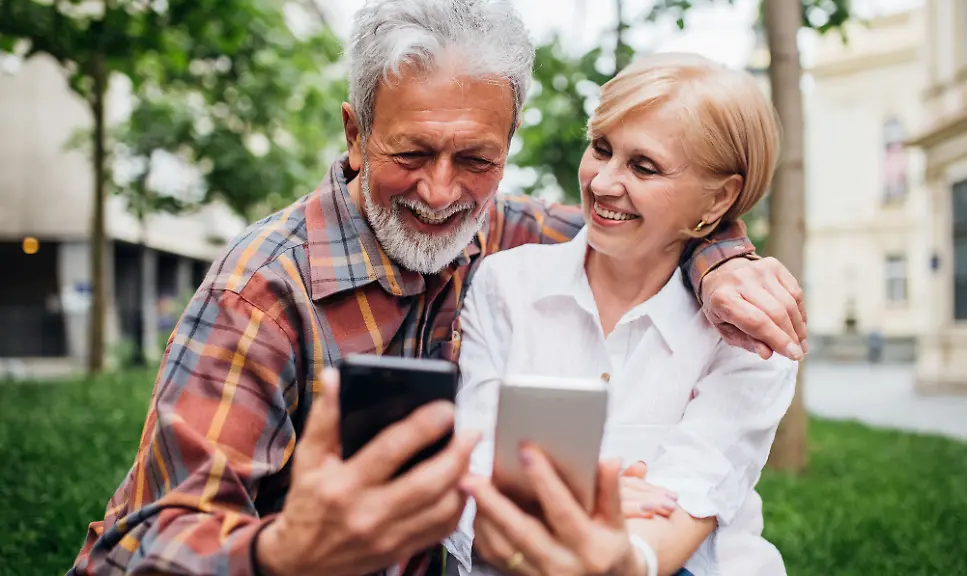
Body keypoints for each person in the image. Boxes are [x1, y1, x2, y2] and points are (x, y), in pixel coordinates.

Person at [69, 2, 807, 575]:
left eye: (477, 160)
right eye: (412, 153)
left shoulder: (505, 232)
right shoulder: (262, 293)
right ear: (355, 134)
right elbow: (139, 546)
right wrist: (285, 551)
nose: (441, 191)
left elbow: (649, 231)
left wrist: (724, 260)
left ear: (508, 144)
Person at [447, 52, 797, 576]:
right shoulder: (507, 286)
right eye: (602, 148)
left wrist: (544, 504)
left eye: (643, 166)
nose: (603, 183)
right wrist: (589, 501)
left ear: (718, 199)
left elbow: (673, 525)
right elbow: (473, 489)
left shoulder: (750, 332)